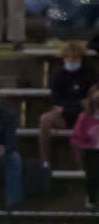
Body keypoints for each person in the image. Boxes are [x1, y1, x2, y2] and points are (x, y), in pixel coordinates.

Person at [40, 41, 97, 169]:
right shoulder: (59, 75)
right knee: (45, 119)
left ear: (81, 58)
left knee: (82, 122)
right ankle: (44, 160)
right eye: (68, 57)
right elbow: (56, 103)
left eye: (75, 58)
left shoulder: (90, 74)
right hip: (65, 116)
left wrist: (68, 107)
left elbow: (90, 102)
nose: (71, 61)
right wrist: (77, 104)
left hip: (84, 116)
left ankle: (82, 165)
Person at [70, 85, 99, 210]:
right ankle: (91, 196)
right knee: (93, 164)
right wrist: (90, 145)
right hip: (91, 153)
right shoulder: (84, 118)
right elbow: (76, 139)